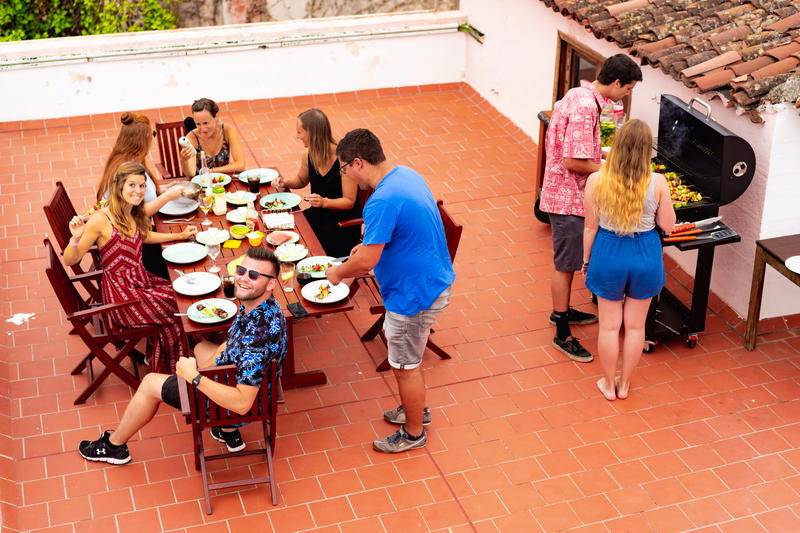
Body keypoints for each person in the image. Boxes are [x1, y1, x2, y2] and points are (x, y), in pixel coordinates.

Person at [77, 247, 288, 465]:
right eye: (242, 270)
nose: (243, 279)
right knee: (200, 346)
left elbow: (243, 403)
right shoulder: (264, 306)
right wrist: (207, 365)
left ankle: (114, 446)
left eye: (253, 275)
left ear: (271, 283)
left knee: (150, 382)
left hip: (243, 404)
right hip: (259, 385)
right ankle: (227, 430)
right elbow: (232, 343)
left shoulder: (257, 339)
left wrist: (195, 377)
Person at [326, 129, 455, 453]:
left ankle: (413, 432)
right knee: (406, 360)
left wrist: (337, 273)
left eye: (344, 169)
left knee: (404, 365)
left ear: (357, 162)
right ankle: (414, 409)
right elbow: (386, 241)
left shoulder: (380, 200)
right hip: (430, 281)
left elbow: (368, 260)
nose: (347, 176)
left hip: (413, 295)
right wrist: (364, 250)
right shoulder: (405, 175)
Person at [539, 53, 642, 363]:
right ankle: (561, 330)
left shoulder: (578, 93)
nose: (626, 95)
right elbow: (573, 161)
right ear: (616, 82)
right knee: (566, 264)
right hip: (568, 197)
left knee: (566, 263)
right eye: (628, 89)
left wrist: (602, 157)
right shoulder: (586, 108)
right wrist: (614, 170)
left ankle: (564, 309)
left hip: (559, 190)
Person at [65, 162, 197, 374]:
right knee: (179, 309)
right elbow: (70, 260)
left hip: (141, 282)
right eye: (132, 185)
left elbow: (142, 236)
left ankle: (163, 355)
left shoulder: (131, 210)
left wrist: (178, 235)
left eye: (142, 186)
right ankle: (172, 371)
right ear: (119, 186)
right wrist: (75, 238)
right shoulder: (101, 220)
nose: (138, 191)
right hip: (123, 297)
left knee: (184, 291)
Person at [583, 120, 676, 400]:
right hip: (645, 252)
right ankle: (625, 385)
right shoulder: (657, 181)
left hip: (609, 251)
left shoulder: (597, 179)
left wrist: (586, 261)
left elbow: (590, 227)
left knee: (609, 326)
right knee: (636, 326)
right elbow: (668, 226)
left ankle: (608, 384)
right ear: (646, 149)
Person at [97, 112, 187, 279]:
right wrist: (167, 197)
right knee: (184, 255)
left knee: (184, 240)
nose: (154, 138)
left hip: (140, 233)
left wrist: (165, 189)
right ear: (144, 139)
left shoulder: (131, 161)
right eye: (153, 134)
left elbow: (144, 194)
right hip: (134, 248)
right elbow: (135, 214)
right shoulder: (126, 171)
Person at [272, 108, 361, 258]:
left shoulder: (344, 158)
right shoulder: (309, 153)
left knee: (296, 244)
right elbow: (301, 180)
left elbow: (349, 201)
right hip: (319, 215)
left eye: (299, 132)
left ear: (312, 133)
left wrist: (324, 202)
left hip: (341, 224)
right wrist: (284, 182)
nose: (297, 136)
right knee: (288, 229)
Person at [179, 98, 246, 177]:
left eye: (206, 123)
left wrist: (212, 171)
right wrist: (184, 160)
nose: (203, 129)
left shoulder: (227, 131)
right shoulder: (192, 137)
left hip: (223, 181)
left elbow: (241, 164)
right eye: (198, 124)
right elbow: (190, 174)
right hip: (202, 183)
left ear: (216, 117)